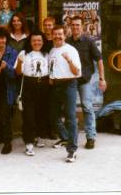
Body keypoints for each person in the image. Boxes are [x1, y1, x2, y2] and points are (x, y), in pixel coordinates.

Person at [66, 16, 107, 149]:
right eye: (73, 25)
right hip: (70, 81)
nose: (75, 27)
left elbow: (99, 60)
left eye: (78, 25)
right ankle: (70, 137)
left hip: (84, 80)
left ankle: (90, 137)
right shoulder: (66, 42)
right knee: (69, 109)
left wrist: (102, 78)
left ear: (83, 26)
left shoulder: (89, 41)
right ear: (70, 26)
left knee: (87, 107)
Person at [48, 25, 81, 163]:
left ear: (64, 35)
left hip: (69, 84)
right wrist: (51, 78)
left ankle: (72, 150)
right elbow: (52, 67)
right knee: (53, 116)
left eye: (60, 34)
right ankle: (66, 137)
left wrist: (69, 60)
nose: (57, 36)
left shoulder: (71, 50)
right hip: (55, 85)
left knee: (70, 117)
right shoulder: (52, 50)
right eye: (55, 34)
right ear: (52, 35)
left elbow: (77, 72)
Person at [15, 30, 50, 156]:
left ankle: (40, 136)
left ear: (43, 41)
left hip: (44, 84)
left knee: (42, 113)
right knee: (28, 116)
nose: (37, 43)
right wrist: (19, 62)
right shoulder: (24, 53)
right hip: (29, 85)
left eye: (39, 40)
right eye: (34, 40)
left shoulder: (46, 54)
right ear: (30, 42)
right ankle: (29, 143)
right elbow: (18, 73)